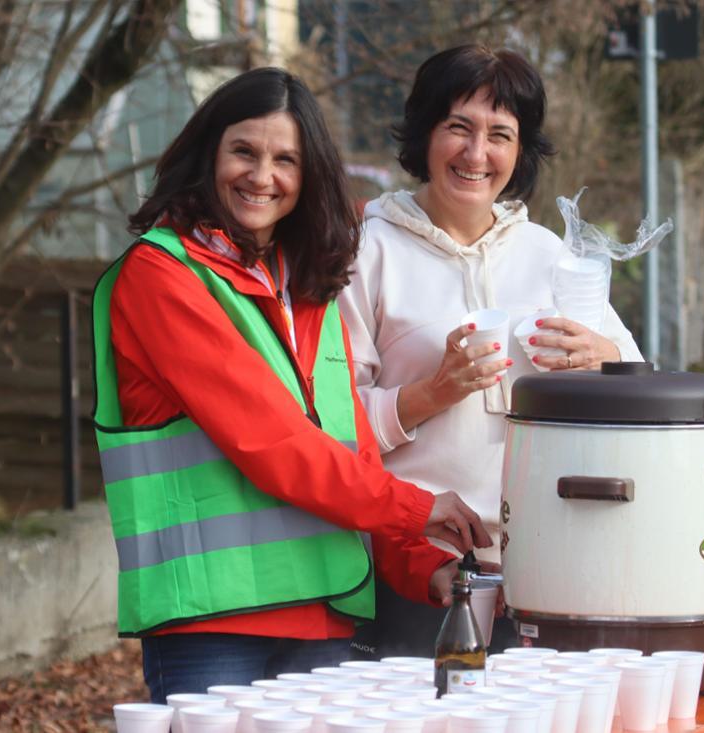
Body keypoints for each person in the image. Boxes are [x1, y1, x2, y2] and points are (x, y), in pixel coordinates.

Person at [90, 67, 491, 702]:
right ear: (208, 153)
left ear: (309, 178)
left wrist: (424, 563)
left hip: (325, 617)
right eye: (243, 151)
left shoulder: (308, 290)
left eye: (286, 160)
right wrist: (421, 506)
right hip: (212, 623)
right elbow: (273, 444)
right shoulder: (161, 276)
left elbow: (348, 453)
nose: (262, 176)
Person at [338, 45, 644, 658]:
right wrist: (433, 392)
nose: (478, 154)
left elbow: (636, 386)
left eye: (500, 135)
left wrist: (603, 353)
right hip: (418, 569)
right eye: (459, 128)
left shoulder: (548, 254)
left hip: (550, 561)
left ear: (520, 152)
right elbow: (329, 425)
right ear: (425, 133)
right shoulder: (365, 253)